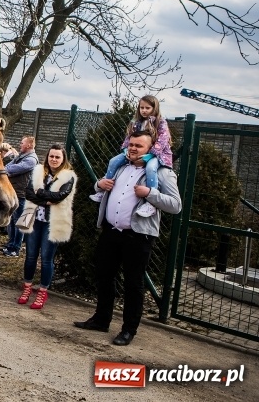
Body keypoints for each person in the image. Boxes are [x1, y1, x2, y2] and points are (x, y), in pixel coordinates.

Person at [74, 130, 182, 346]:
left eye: (139, 146)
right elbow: (103, 187)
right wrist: (99, 185)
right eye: (131, 144)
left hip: (138, 236)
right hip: (110, 232)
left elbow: (176, 205)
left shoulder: (162, 173)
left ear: (151, 149)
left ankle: (128, 330)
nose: (133, 148)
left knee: (133, 284)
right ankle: (101, 320)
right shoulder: (120, 166)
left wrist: (149, 193)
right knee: (104, 276)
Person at [90, 95, 172, 218]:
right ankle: (104, 190)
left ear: (154, 108)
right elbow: (129, 137)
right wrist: (125, 150)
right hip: (137, 153)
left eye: (147, 108)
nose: (144, 110)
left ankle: (150, 203)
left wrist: (151, 154)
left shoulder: (160, 122)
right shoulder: (136, 122)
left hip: (158, 154)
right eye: (141, 108)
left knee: (151, 168)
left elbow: (163, 140)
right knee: (113, 161)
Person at [17, 144, 77, 310]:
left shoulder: (68, 176)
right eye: (51, 156)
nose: (54, 159)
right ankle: (27, 287)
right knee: (30, 256)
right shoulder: (38, 172)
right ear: (47, 157)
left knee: (46, 258)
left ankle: (43, 291)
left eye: (57, 157)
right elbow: (28, 193)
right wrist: (45, 200)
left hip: (52, 223)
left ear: (63, 159)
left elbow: (59, 196)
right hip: (34, 219)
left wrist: (40, 193)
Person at [0, 136, 39, 256]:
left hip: (22, 195)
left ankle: (15, 248)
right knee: (12, 221)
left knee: (19, 222)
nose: (20, 144)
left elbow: (15, 169)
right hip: (14, 192)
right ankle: (10, 244)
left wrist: (7, 171)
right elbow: (8, 166)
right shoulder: (21, 156)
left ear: (29, 145)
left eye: (22, 143)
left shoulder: (31, 159)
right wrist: (7, 170)